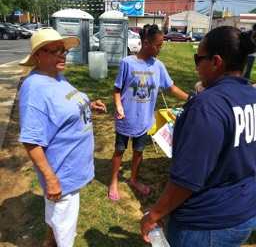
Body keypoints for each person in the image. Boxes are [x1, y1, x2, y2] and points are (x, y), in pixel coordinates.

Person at [140, 26, 256, 247]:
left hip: (206, 223)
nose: (195, 66)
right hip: (245, 214)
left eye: (198, 58)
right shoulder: (252, 96)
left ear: (216, 62)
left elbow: (187, 179)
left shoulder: (207, 106)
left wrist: (153, 215)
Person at [18, 29, 107, 247]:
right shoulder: (35, 89)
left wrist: (87, 104)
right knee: (65, 231)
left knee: (56, 218)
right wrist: (51, 179)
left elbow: (64, 104)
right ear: (38, 55)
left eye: (64, 49)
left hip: (71, 169)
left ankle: (48, 242)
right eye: (56, 50)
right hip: (62, 174)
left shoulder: (56, 75)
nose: (63, 54)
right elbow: (31, 140)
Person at [108, 24, 188, 202]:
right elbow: (116, 89)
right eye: (158, 45)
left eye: (161, 46)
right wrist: (119, 106)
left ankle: (133, 180)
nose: (160, 49)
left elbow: (171, 87)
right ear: (146, 43)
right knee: (119, 150)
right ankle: (113, 182)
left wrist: (191, 98)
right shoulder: (127, 62)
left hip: (144, 120)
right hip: (125, 118)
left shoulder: (158, 66)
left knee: (138, 151)